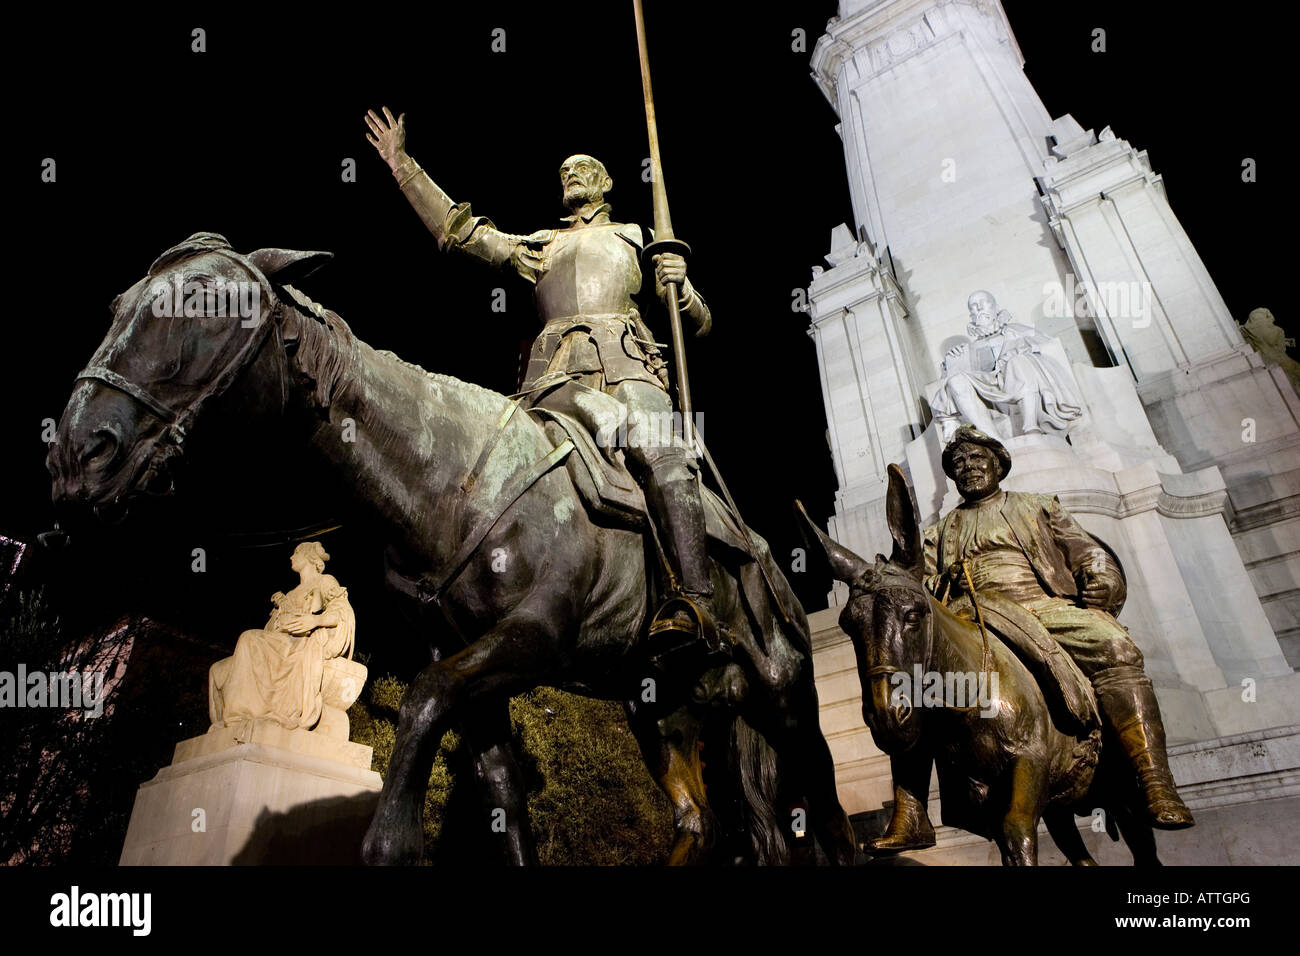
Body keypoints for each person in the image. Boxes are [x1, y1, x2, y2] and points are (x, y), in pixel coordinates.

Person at [363, 106, 716, 641]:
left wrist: (682, 286)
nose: (569, 173)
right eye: (564, 170)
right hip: (552, 380)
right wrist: (403, 164)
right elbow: (463, 233)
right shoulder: (543, 244)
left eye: (581, 167)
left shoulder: (637, 237)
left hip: (628, 369)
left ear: (606, 182)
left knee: (665, 452)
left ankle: (694, 600)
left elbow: (701, 321)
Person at [872, 424, 1193, 851]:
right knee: (913, 686)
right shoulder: (938, 532)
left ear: (998, 463)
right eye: (957, 464)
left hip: (1041, 608)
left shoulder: (1039, 507)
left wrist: (1102, 579)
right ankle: (911, 813)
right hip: (971, 617)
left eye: (976, 458)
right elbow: (915, 583)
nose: (967, 468)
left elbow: (1089, 553)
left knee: (1116, 647)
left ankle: (1154, 780)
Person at [209, 541, 356, 735]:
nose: (291, 557)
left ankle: (242, 714)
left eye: (296, 553)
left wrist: (315, 620)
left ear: (310, 557)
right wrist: (279, 614)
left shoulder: (325, 581)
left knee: (248, 639)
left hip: (297, 643)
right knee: (217, 669)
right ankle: (231, 722)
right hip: (279, 641)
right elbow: (272, 629)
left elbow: (341, 610)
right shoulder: (291, 593)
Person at [931, 290, 1082, 440]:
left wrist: (1030, 350)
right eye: (974, 307)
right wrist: (952, 361)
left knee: (1017, 361)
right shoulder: (968, 350)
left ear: (996, 308)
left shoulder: (1021, 331)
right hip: (990, 387)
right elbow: (948, 389)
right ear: (971, 315)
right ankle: (996, 442)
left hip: (1020, 378)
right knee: (955, 381)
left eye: (984, 304)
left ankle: (1030, 427)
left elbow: (1058, 351)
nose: (979, 309)